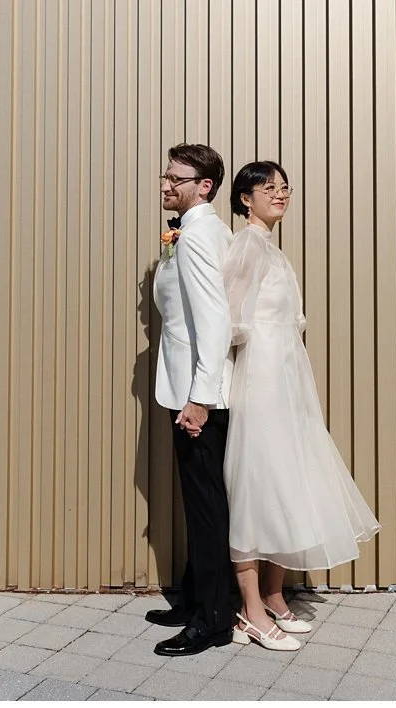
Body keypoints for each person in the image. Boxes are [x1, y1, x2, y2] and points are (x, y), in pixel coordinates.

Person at [220, 161, 380, 652]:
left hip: (288, 379)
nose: (280, 194)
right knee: (256, 486)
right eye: (269, 187)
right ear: (245, 198)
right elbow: (228, 319)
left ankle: (273, 593)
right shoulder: (246, 245)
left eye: (285, 187)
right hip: (263, 380)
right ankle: (249, 609)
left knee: (288, 481)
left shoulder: (269, 247)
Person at [144, 143, 237, 657]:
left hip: (198, 395)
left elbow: (215, 318)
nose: (165, 185)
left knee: (206, 507)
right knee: (199, 501)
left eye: (176, 179)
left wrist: (200, 398)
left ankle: (213, 621)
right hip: (185, 386)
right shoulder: (195, 230)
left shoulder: (199, 234)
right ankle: (193, 597)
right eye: (165, 176)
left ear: (204, 186)